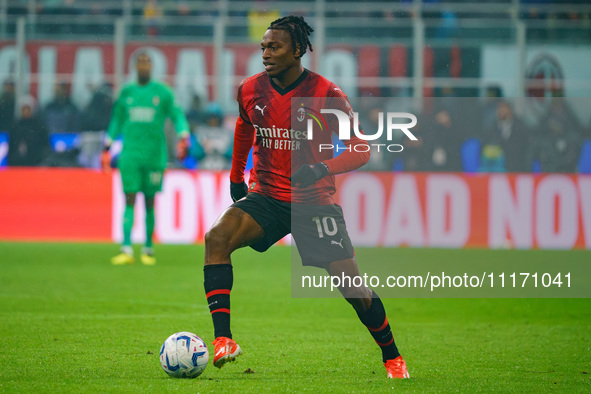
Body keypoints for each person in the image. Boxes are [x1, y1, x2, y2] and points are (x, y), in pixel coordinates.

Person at [203, 15, 409, 379]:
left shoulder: (328, 94)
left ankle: (392, 356)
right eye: (264, 47)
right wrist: (236, 179)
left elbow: (361, 149)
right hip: (266, 195)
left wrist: (321, 168)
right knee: (216, 237)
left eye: (275, 46)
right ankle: (224, 340)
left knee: (352, 287)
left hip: (313, 202)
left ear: (298, 50)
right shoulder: (250, 89)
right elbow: (244, 129)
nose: (266, 53)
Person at [102, 52, 190, 266]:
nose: (144, 66)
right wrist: (106, 146)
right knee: (129, 199)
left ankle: (148, 249)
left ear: (151, 66)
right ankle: (126, 249)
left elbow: (177, 115)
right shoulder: (126, 93)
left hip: (153, 156)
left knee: (150, 202)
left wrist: (183, 135)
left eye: (147, 62)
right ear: (135, 66)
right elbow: (116, 121)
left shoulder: (162, 93)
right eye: (141, 62)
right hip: (130, 156)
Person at [8, 95, 51, 166]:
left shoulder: (39, 127)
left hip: (36, 163)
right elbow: (11, 147)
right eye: (23, 109)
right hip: (18, 164)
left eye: (28, 109)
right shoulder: (15, 127)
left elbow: (45, 147)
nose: (26, 112)